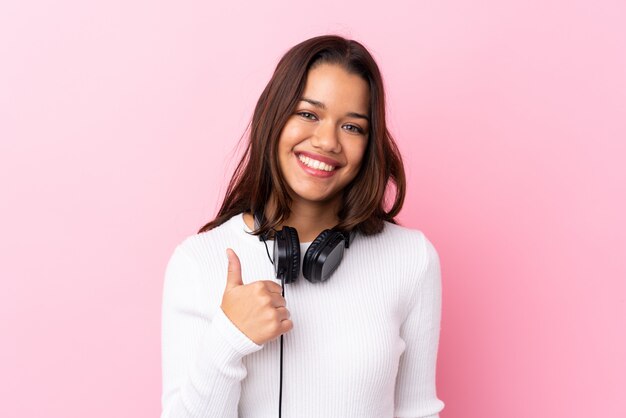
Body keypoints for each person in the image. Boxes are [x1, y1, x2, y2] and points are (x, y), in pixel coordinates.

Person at [160, 34, 445, 418]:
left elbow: (417, 412)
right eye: (309, 114)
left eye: (352, 127)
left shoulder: (411, 258)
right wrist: (228, 337)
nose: (327, 142)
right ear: (273, 117)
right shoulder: (198, 262)